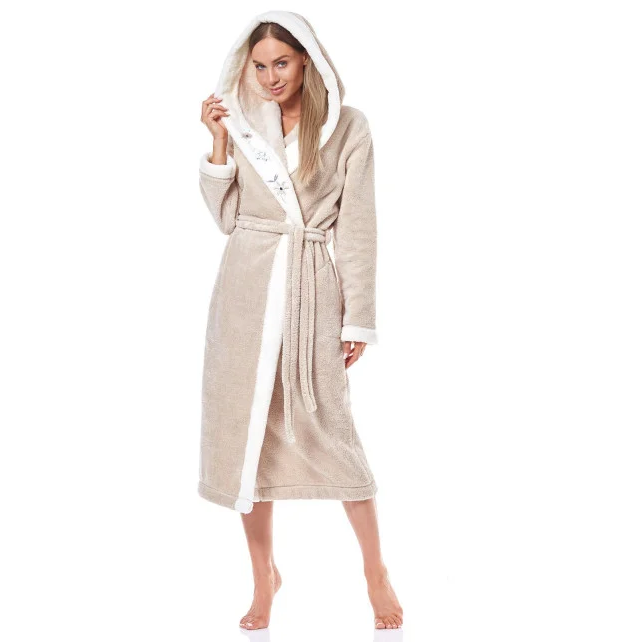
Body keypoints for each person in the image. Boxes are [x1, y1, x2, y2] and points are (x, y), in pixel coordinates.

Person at [198, 10, 402, 631]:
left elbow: (358, 227)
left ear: (307, 59)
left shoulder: (347, 126)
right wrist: (218, 144)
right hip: (245, 288)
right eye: (259, 66)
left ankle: (375, 571)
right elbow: (227, 218)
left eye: (281, 63)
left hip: (310, 287)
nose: (270, 78)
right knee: (246, 436)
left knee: (331, 428)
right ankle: (264, 576)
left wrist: (357, 320)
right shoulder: (243, 120)